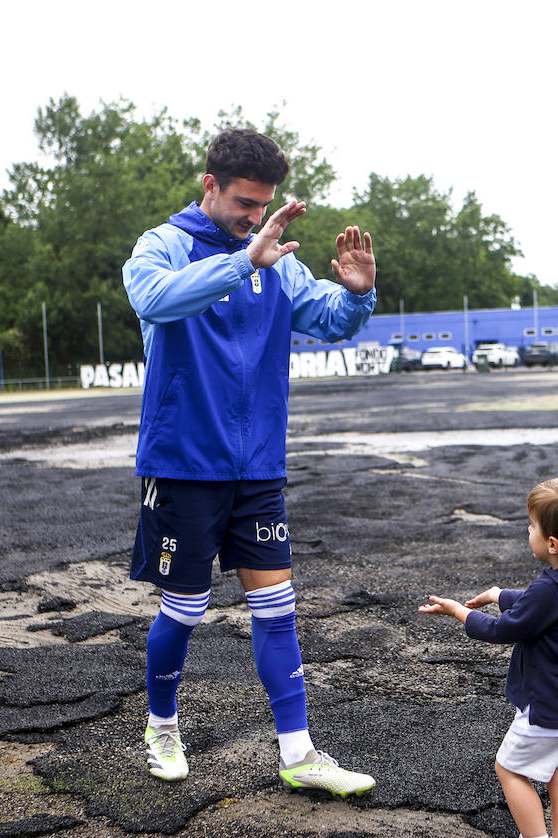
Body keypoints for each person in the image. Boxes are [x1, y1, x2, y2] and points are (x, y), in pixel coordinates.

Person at [122, 128, 378, 796]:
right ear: (209, 186)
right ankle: (162, 727)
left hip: (258, 466)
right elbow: (154, 299)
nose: (252, 217)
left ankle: (298, 753)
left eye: (261, 205)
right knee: (185, 607)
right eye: (242, 203)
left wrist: (355, 295)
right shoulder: (163, 246)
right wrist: (245, 262)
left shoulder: (277, 259)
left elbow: (327, 316)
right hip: (184, 464)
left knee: (277, 607)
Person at [418, 478, 558, 838]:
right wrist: (498, 593)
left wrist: (459, 611)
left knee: (509, 769)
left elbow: (505, 630)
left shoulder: (548, 589)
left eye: (531, 526)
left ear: (553, 545)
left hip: (548, 708)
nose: (527, 531)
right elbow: (542, 604)